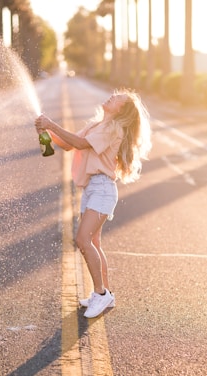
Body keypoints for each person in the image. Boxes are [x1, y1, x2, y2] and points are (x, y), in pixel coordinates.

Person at [35, 88, 152, 318]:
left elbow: (79, 144)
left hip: (103, 190)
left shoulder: (113, 129)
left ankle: (100, 294)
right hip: (91, 189)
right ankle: (105, 295)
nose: (113, 96)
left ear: (122, 110)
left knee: (82, 239)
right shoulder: (96, 125)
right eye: (115, 94)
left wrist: (52, 123)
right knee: (94, 243)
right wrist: (46, 129)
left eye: (118, 98)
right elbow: (69, 144)